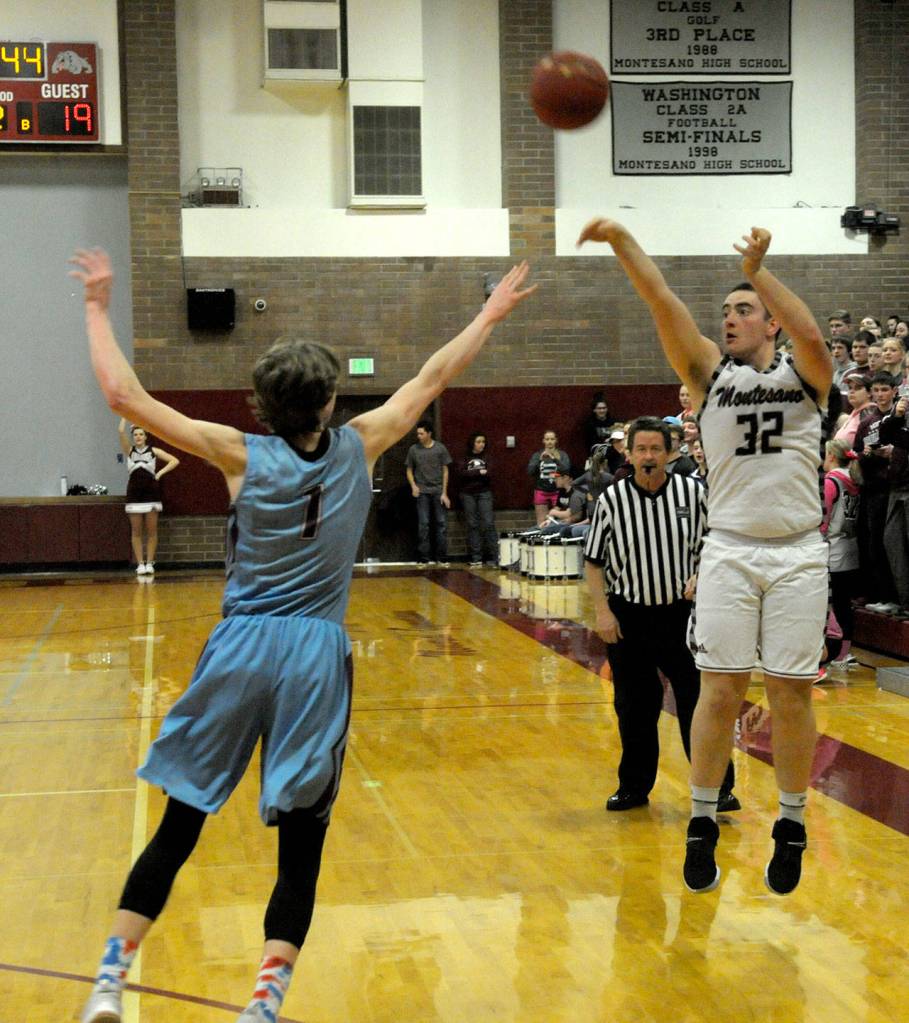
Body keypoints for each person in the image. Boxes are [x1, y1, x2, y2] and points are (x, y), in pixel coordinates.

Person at [70, 248, 536, 1023]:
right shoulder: (365, 441)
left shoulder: (237, 454)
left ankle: (110, 979)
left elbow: (122, 392)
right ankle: (263, 1002)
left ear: (261, 405)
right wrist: (485, 315)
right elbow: (432, 377)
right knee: (301, 840)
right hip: (315, 653)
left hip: (241, 645)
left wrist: (95, 306)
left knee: (180, 821)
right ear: (328, 402)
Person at [578, 220, 832, 897]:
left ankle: (791, 820)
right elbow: (663, 302)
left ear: (768, 319)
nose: (728, 318)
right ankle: (699, 822)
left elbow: (809, 335)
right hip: (728, 550)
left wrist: (760, 271)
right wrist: (622, 242)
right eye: (724, 310)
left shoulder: (804, 374)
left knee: (789, 692)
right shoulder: (706, 377)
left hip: (798, 554)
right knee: (718, 689)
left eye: (742, 308)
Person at [583, 417, 736, 813]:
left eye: (656, 449)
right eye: (641, 449)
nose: (649, 456)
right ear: (629, 454)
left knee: (699, 703)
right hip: (628, 616)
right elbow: (594, 562)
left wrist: (702, 575)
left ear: (670, 453)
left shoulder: (693, 492)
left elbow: (717, 543)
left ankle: (718, 787)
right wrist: (602, 612)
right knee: (634, 706)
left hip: (682, 617)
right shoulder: (611, 501)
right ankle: (634, 788)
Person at [118, 418, 179, 576]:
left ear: (146, 436)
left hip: (151, 494)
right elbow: (120, 432)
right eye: (136, 434)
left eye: (141, 434)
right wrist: (125, 416)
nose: (138, 437)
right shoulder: (129, 451)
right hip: (134, 494)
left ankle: (150, 562)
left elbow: (174, 460)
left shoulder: (154, 451)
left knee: (152, 531)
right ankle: (140, 564)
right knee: (136, 531)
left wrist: (159, 473)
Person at [821, 440, 862, 671]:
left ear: (832, 456)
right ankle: (845, 652)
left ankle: (835, 651)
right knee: (844, 604)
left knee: (834, 605)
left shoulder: (831, 481)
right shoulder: (854, 479)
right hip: (851, 548)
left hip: (833, 550)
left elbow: (823, 518)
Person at [406, 420, 452, 565]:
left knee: (441, 523)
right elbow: (409, 470)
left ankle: (441, 558)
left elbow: (445, 470)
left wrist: (444, 493)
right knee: (423, 524)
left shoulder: (440, 449)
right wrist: (413, 486)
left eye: (421, 433)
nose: (418, 436)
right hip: (422, 491)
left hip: (438, 490)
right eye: (418, 433)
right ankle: (424, 558)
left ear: (429, 433)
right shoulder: (414, 449)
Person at [457, 431, 498, 568]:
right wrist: (478, 472)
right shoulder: (465, 457)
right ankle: (476, 557)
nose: (481, 444)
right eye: (479, 442)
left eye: (483, 442)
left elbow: (490, 473)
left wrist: (473, 474)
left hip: (484, 493)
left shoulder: (487, 457)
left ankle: (494, 556)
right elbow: (461, 473)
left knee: (488, 523)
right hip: (467, 494)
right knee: (472, 525)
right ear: (473, 443)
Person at [527, 430, 571, 525]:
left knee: (558, 522)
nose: (550, 441)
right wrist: (539, 460)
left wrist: (554, 459)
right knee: (541, 522)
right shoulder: (538, 455)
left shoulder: (562, 454)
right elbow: (530, 471)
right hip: (541, 490)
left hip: (557, 491)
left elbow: (567, 469)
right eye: (547, 439)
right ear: (543, 441)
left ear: (556, 441)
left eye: (552, 439)